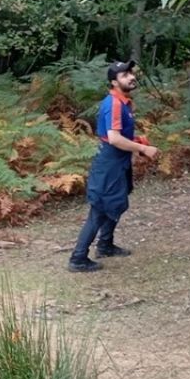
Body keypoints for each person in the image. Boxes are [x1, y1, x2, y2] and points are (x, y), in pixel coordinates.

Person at [68, 60, 158, 273]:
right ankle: (78, 258)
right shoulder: (114, 104)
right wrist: (143, 149)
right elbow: (114, 139)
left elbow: (118, 137)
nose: (131, 77)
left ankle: (105, 245)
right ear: (114, 82)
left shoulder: (125, 102)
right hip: (109, 163)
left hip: (119, 161)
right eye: (124, 75)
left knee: (117, 202)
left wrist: (136, 141)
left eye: (130, 73)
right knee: (99, 209)